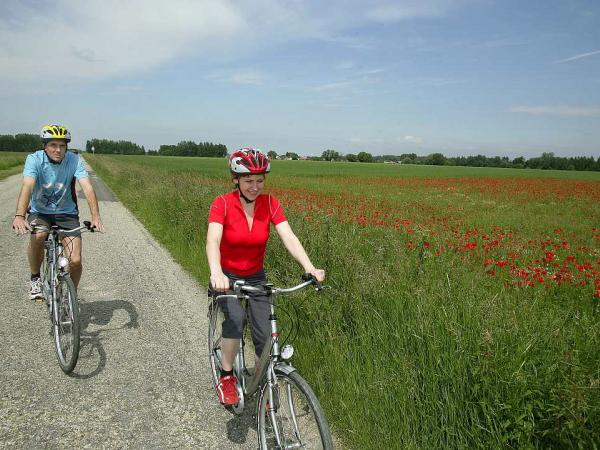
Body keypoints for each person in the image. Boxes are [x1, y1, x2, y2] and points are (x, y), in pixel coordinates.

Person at [206, 147, 325, 406]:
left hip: (256, 277)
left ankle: (263, 383)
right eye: (249, 180)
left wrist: (310, 267)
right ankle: (226, 376)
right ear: (235, 179)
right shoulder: (222, 203)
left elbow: (288, 237)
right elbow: (213, 240)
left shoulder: (270, 203)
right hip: (226, 276)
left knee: (266, 336)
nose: (255, 186)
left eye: (260, 180)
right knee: (235, 320)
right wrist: (216, 272)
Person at [12, 125, 105, 300]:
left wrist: (95, 216)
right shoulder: (34, 160)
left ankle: (71, 297)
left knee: (75, 260)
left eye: (62, 146)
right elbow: (28, 185)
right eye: (53, 145)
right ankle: (35, 278)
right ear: (44, 146)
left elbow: (87, 187)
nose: (58, 150)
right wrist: (19, 216)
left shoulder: (74, 160)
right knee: (39, 236)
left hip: (67, 213)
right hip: (40, 211)